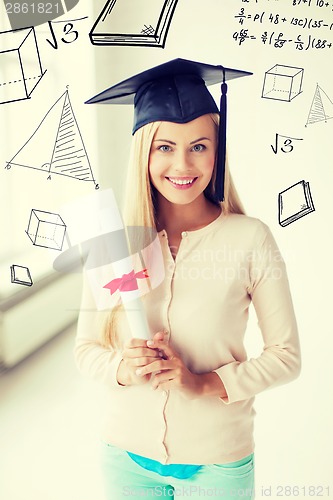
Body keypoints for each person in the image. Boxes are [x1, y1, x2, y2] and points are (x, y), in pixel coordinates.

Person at [76, 59, 301, 500]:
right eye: (164, 147)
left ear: (217, 151)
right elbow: (87, 351)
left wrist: (205, 383)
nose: (182, 163)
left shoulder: (250, 239)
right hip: (125, 458)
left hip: (218, 463)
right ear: (144, 152)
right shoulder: (115, 241)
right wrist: (125, 367)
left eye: (199, 146)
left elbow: (286, 356)